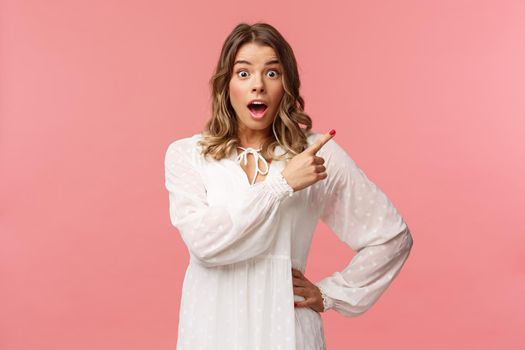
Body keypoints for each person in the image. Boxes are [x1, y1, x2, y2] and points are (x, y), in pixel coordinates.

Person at [164, 22, 413, 350]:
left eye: (271, 73)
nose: (257, 86)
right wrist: (281, 184)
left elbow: (391, 237)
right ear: (226, 86)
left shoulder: (312, 155)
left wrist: (330, 294)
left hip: (287, 331)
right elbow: (205, 245)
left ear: (287, 84)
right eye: (243, 73)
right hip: (212, 331)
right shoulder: (188, 155)